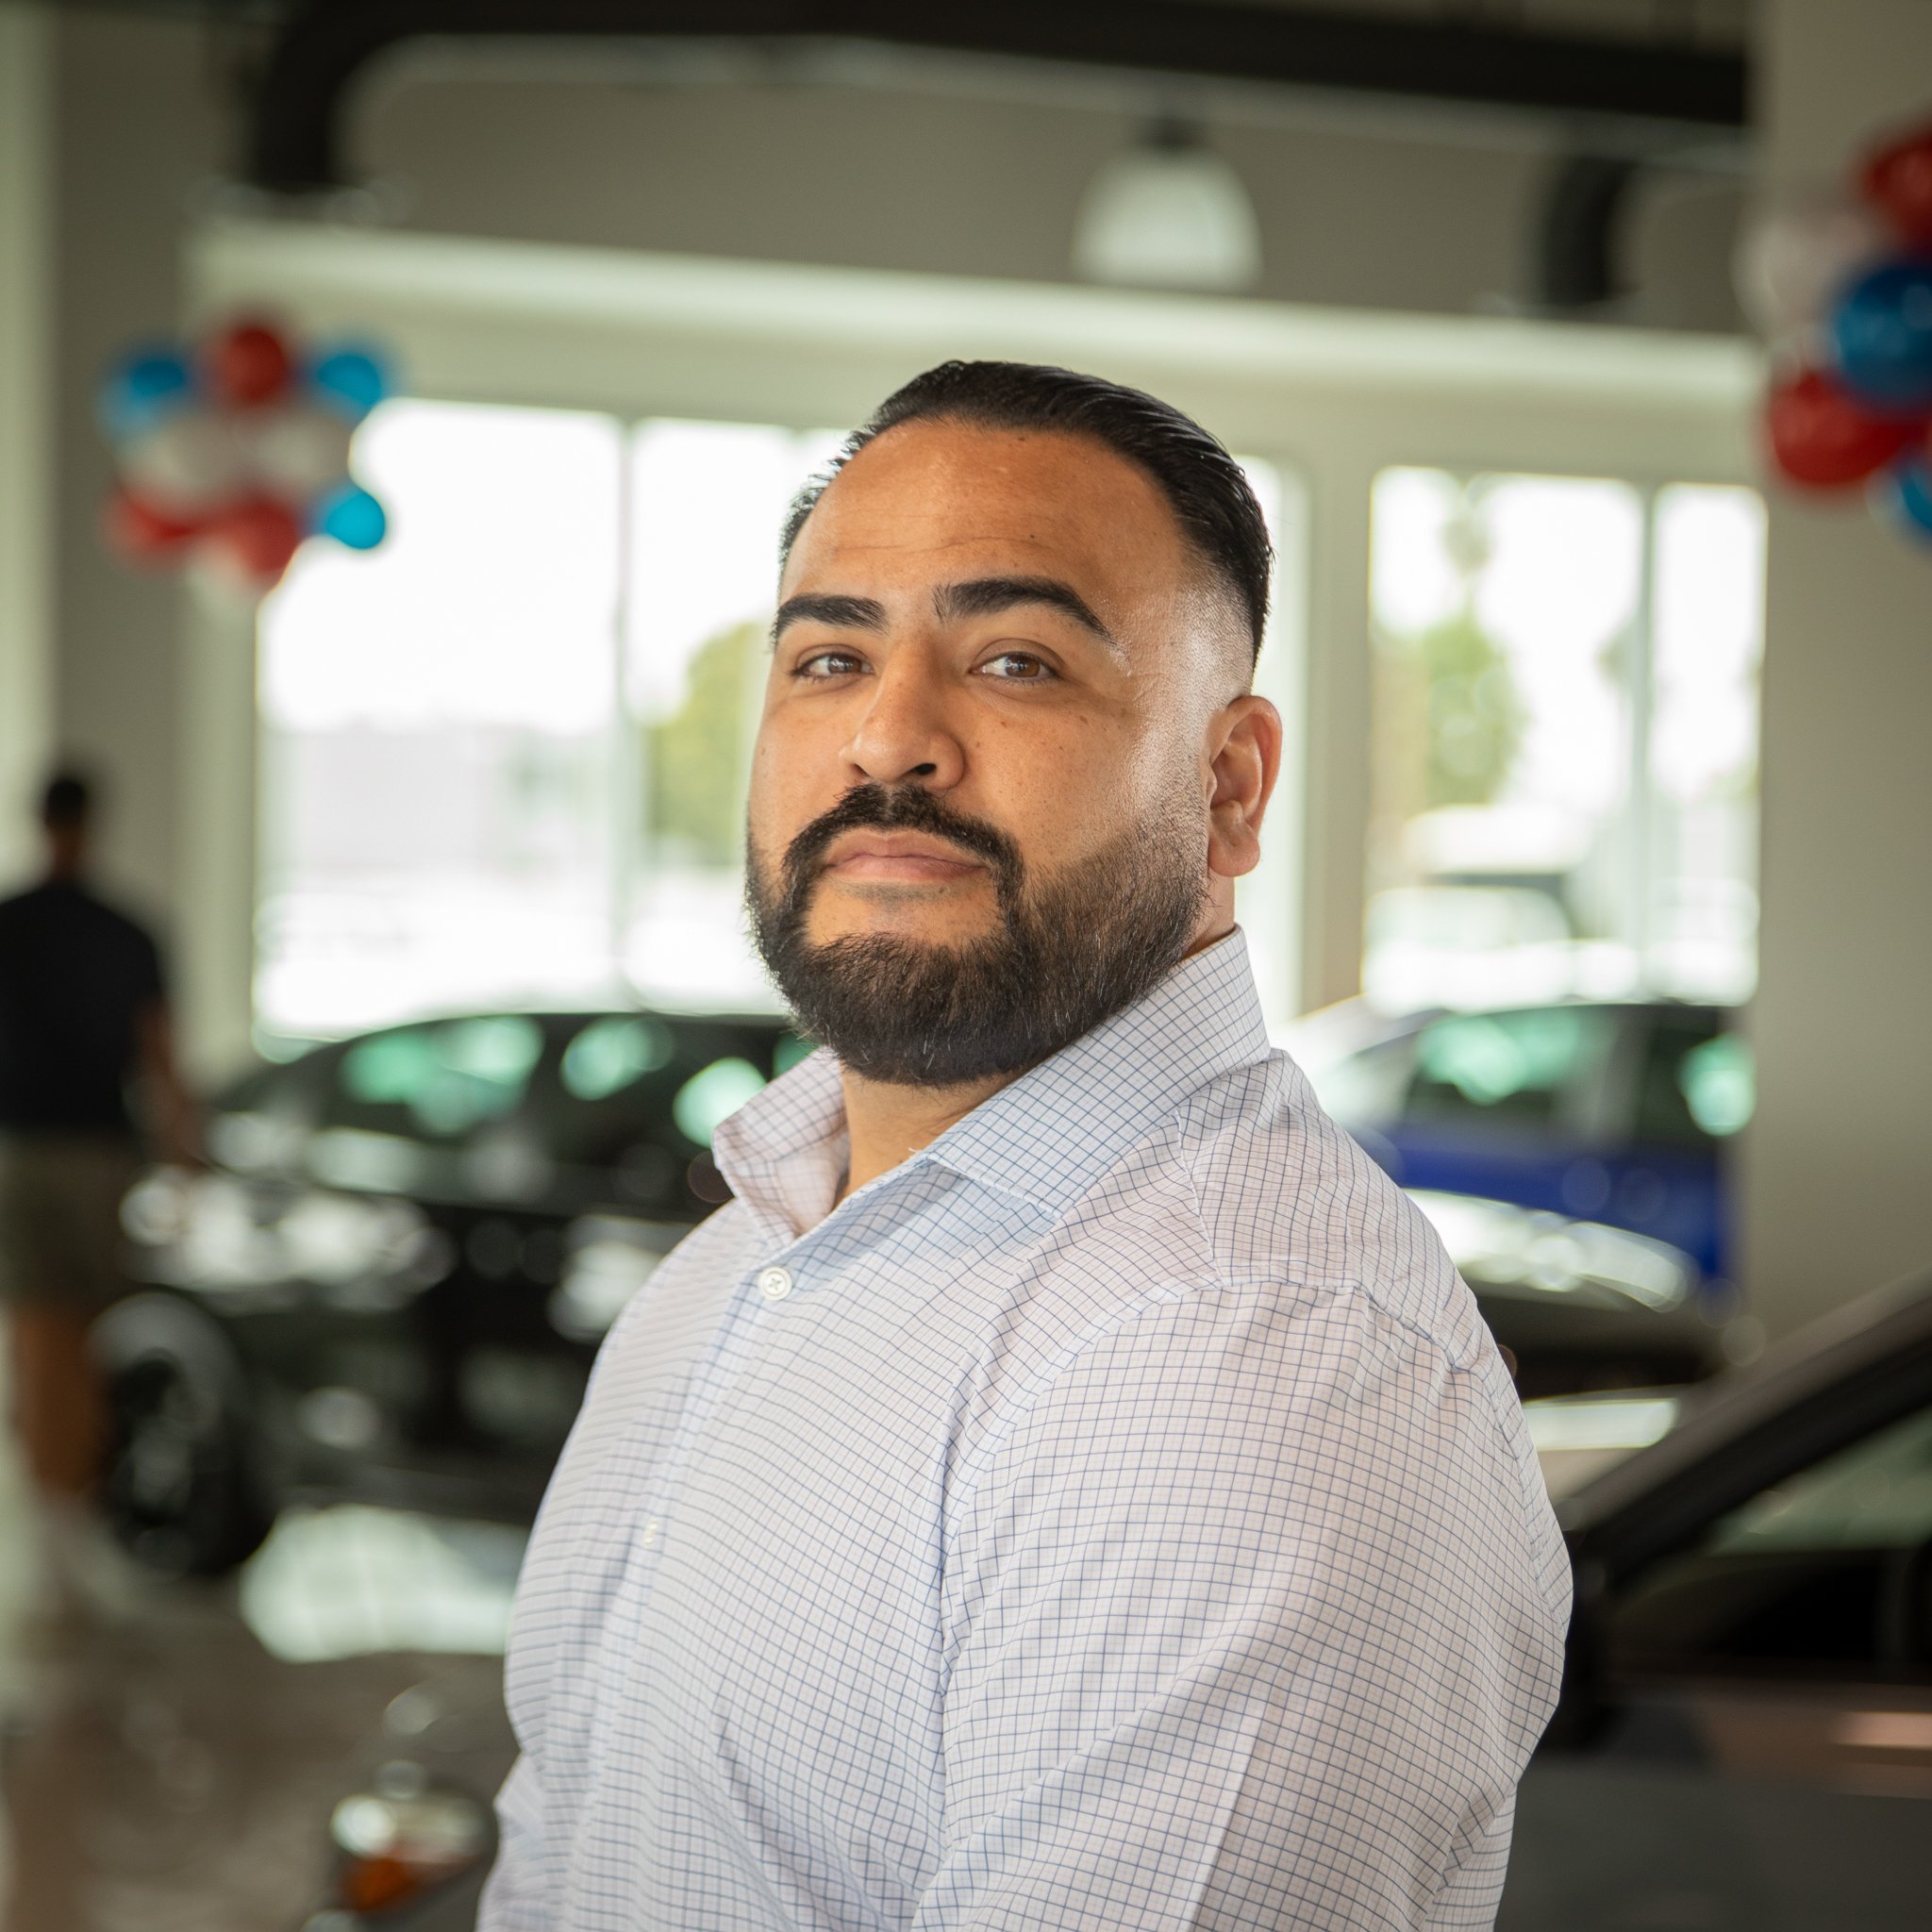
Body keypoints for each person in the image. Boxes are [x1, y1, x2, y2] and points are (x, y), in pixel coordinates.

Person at [482, 362, 1570, 1932]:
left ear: (1228, 782)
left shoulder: (1247, 1357)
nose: (888, 737)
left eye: (1011, 658)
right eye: (827, 655)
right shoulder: (739, 1259)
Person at [0, 771, 197, 1613]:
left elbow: (156, 1048)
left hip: (29, 1147)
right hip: (90, 1152)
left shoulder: (13, 925)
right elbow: (159, 1056)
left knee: (43, 1321)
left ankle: (58, 1489)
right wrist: (184, 1145)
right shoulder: (127, 930)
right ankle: (62, 1491)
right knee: (69, 1322)